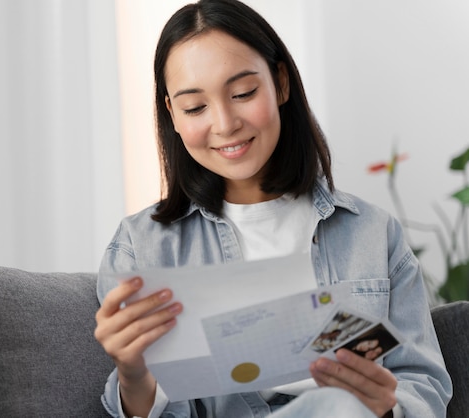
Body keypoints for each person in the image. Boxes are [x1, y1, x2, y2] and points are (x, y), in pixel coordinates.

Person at [94, 0, 452, 417]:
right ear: (172, 114)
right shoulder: (141, 248)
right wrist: (134, 377)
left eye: (243, 93)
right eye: (195, 107)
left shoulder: (370, 234)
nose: (225, 123)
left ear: (281, 83)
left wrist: (387, 409)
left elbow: (423, 384)